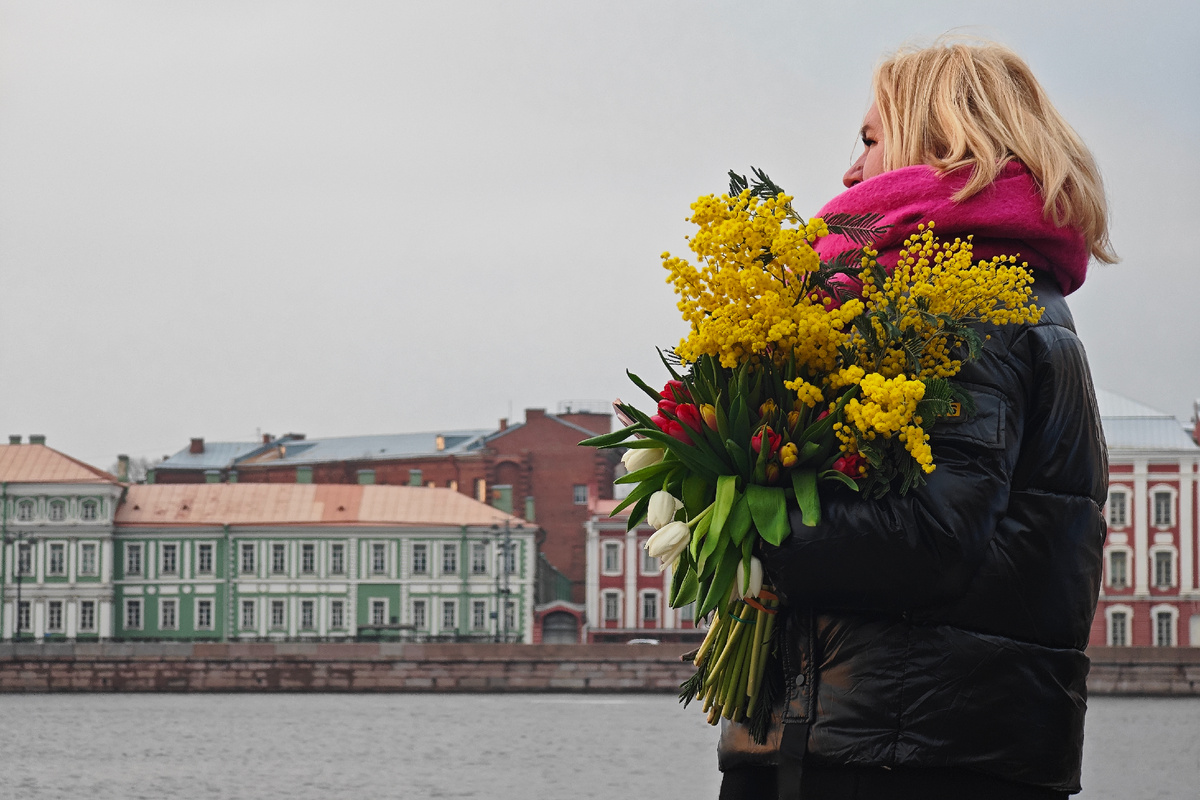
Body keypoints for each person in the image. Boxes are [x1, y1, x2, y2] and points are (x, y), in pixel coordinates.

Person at [717, 38, 1114, 799]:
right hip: (918, 745)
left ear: (941, 145)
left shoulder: (963, 305)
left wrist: (740, 522)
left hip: (894, 757)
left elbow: (927, 539)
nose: (850, 171)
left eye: (870, 140)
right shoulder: (991, 300)